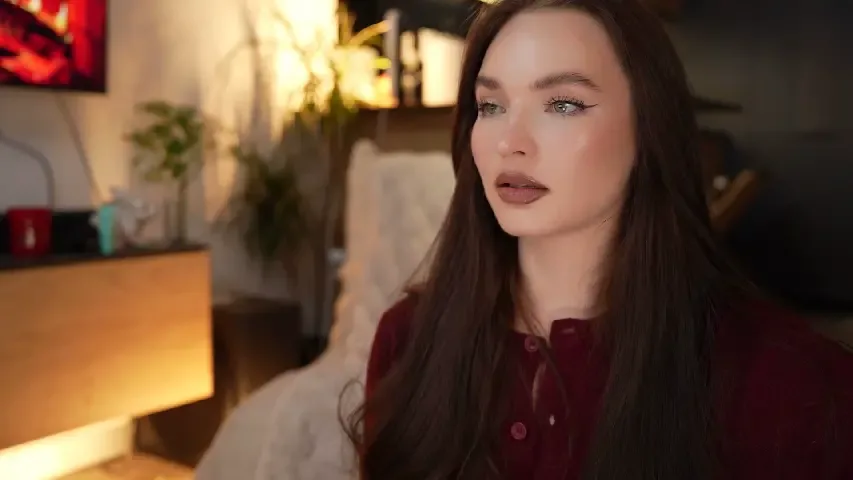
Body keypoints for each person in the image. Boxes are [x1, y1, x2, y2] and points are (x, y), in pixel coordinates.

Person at [344, 0, 853, 478]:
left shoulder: (790, 382)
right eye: (491, 105)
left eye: (563, 104)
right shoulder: (409, 340)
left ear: (648, 128)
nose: (509, 143)